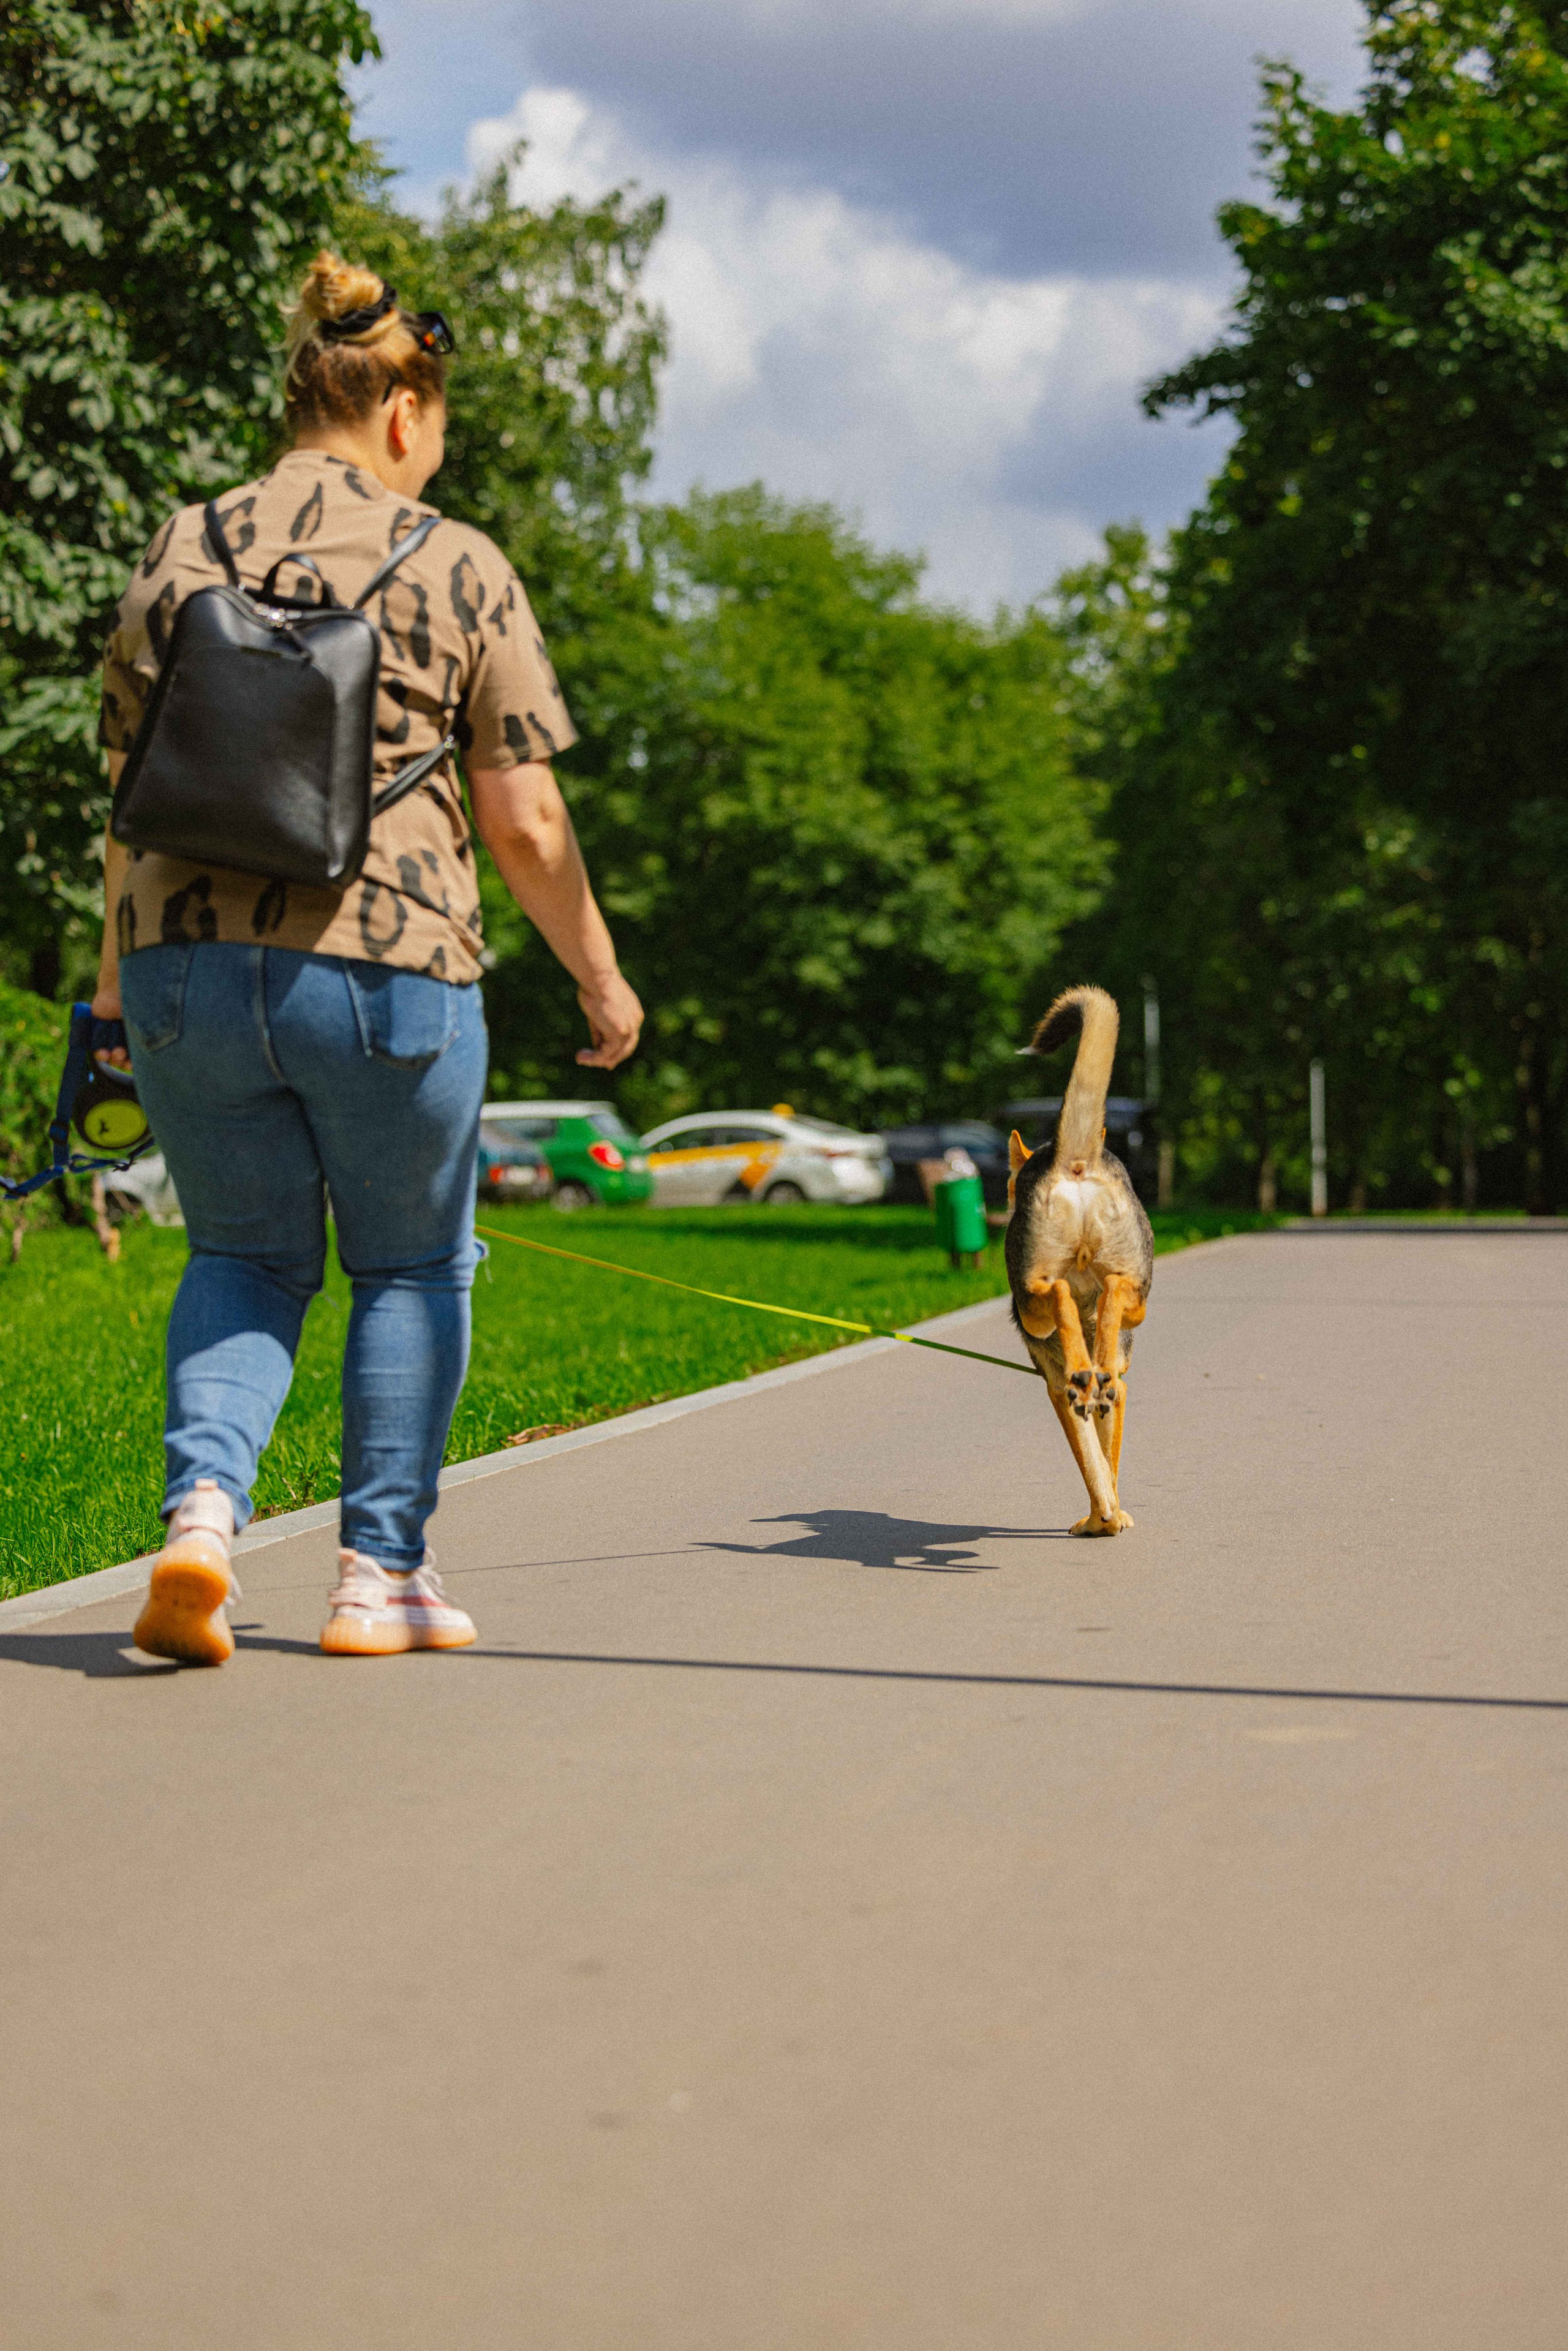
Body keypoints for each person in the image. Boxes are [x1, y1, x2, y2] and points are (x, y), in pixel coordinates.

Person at [92, 252, 643, 1666]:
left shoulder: (177, 545)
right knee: (407, 1267)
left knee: (240, 1252)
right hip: (386, 964)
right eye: (439, 425)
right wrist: (598, 974)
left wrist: (107, 1006)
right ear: (403, 407)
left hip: (183, 967)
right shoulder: (453, 560)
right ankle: (376, 1575)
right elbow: (522, 815)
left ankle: (201, 1518)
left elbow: (123, 792)